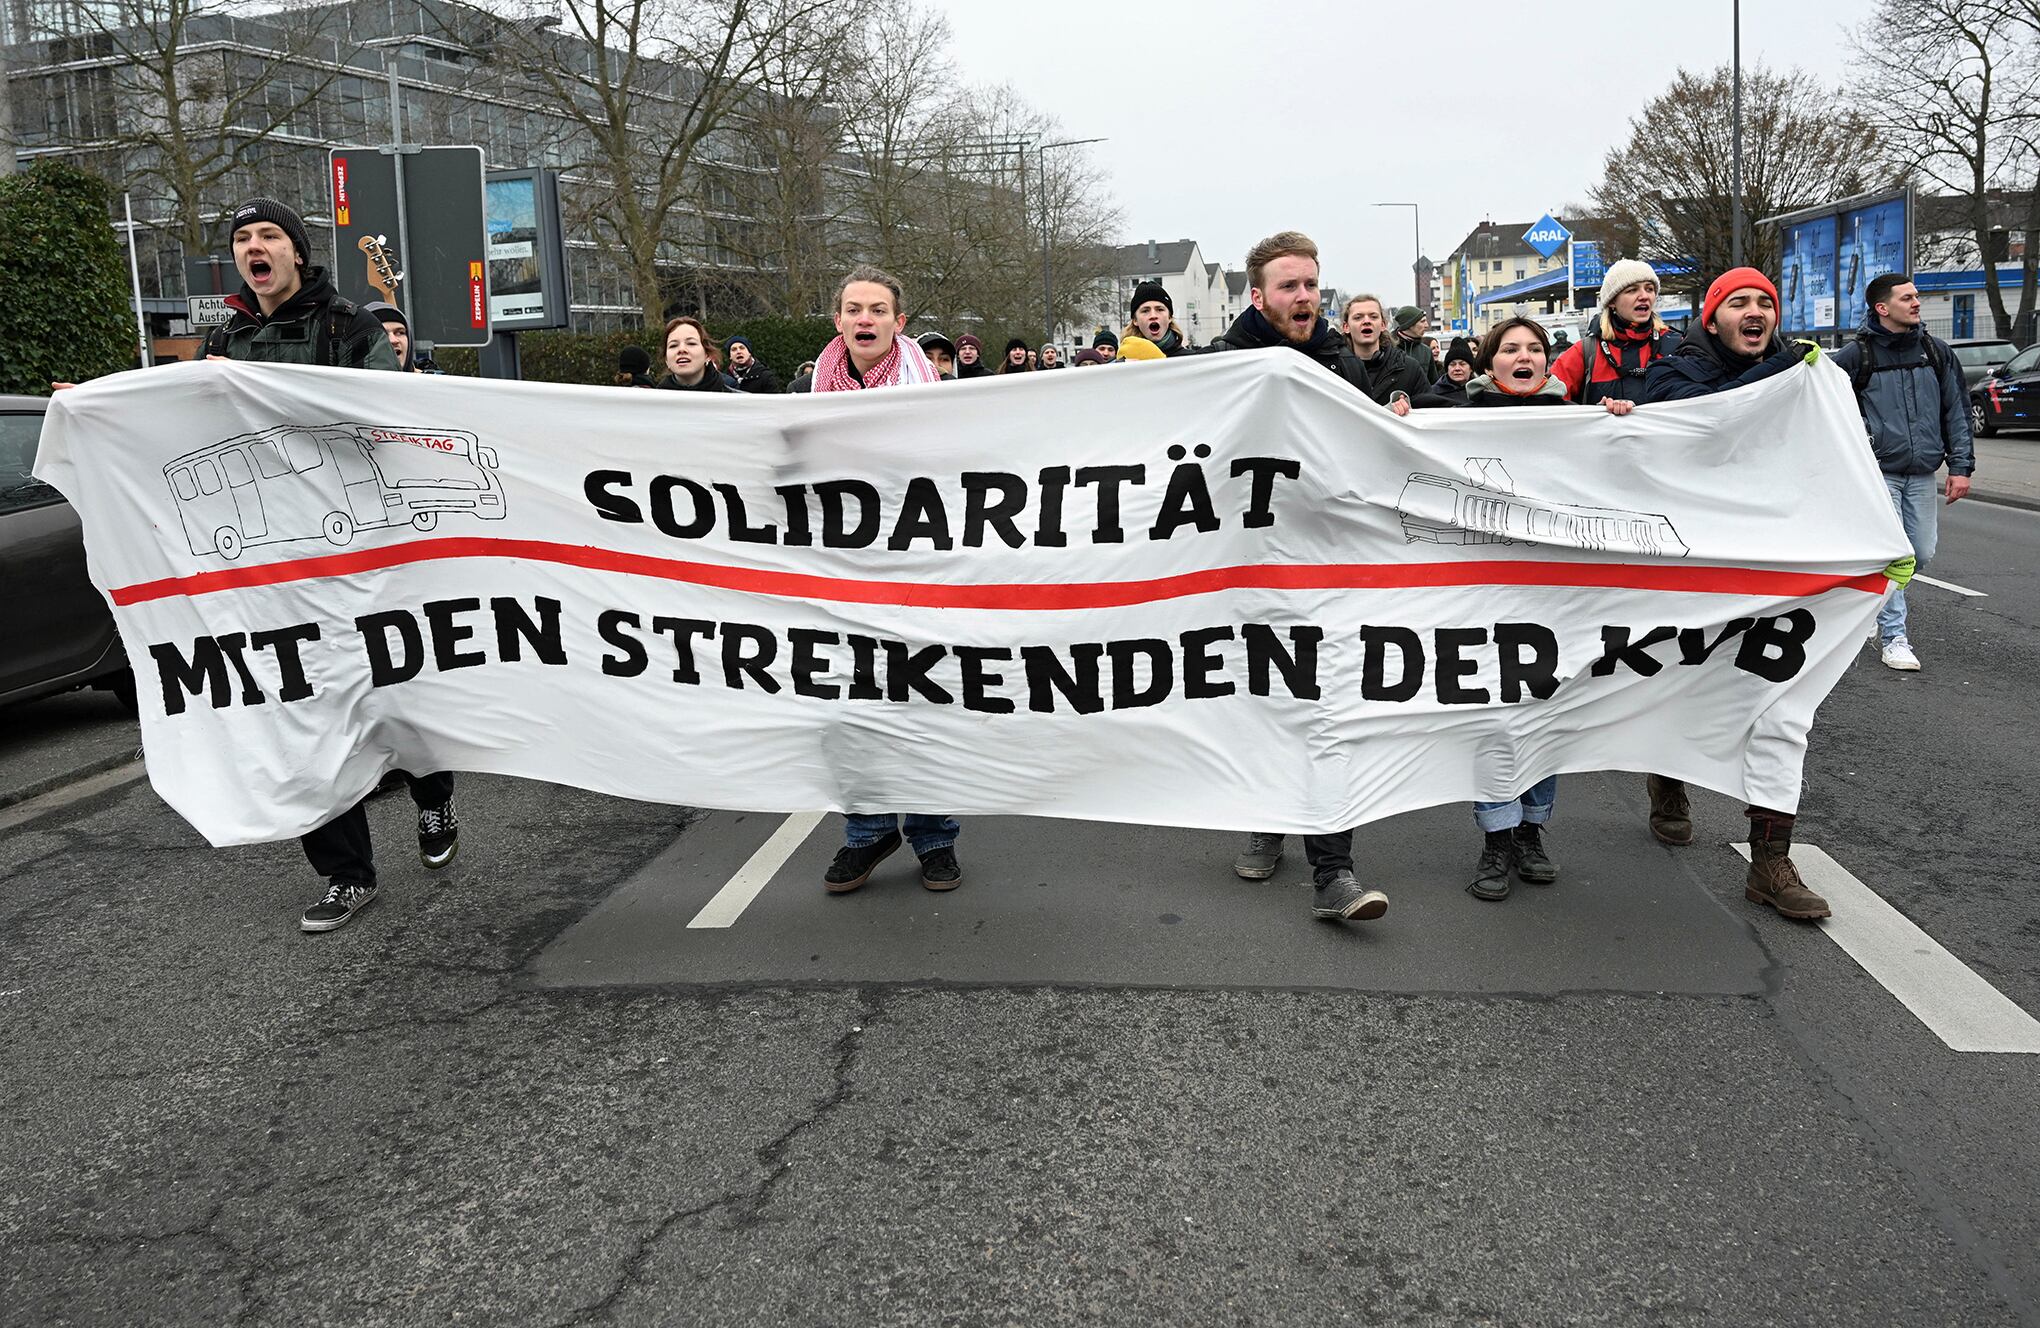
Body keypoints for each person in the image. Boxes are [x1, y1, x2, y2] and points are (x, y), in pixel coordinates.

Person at [201, 198, 452, 935]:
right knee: (302, 709)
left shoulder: (349, 326)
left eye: (268, 234)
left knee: (391, 691)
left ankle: (431, 786)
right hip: (272, 561)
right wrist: (97, 407)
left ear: (297, 252)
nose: (255, 246)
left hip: (354, 549)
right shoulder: (229, 337)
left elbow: (381, 422)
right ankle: (347, 874)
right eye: (242, 237)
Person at [1640, 267, 1855, 923]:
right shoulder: (1673, 373)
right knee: (1679, 685)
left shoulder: (1802, 378)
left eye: (1766, 302)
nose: (1756, 310)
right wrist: (1790, 379)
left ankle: (1770, 863)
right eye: (1739, 302)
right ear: (1712, 318)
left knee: (1781, 712)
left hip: (1777, 570)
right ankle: (1666, 773)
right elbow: (1707, 423)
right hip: (1694, 569)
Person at [1207, 230, 1386, 925]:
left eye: (1312, 284)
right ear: (1259, 296)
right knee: (1260, 702)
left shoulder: (1341, 364)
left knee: (1326, 711)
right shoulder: (1221, 364)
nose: (1305, 296)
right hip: (1245, 571)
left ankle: (1333, 872)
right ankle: (1265, 817)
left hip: (1323, 569)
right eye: (1290, 285)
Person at [1447, 318, 1629, 897]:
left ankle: (1532, 829)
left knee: (1546, 712)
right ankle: (1496, 839)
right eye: (1509, 348)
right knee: (1497, 716)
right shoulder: (1452, 418)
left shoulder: (1578, 419)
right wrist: (1399, 414)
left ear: (1548, 363)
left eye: (1534, 349)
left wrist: (1628, 425)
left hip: (1556, 596)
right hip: (1483, 593)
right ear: (1488, 362)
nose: (1523, 356)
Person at [806, 265, 959, 894]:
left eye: (877, 309)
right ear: (838, 320)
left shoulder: (940, 397)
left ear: (900, 322)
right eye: (853, 308)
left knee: (923, 705)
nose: (864, 319)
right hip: (843, 577)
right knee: (848, 708)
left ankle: (933, 838)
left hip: (919, 575)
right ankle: (866, 835)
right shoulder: (809, 392)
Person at [1830, 274, 1975, 671]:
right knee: (1896, 553)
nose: (1916, 303)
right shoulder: (1855, 356)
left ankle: (1868, 602)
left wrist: (1960, 466)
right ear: (1882, 307)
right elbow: (1826, 406)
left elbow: (1956, 411)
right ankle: (1894, 637)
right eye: (1907, 297)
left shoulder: (1935, 350)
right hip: (1877, 473)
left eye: (1916, 296)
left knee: (1920, 553)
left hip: (1922, 470)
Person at [1550, 259, 1682, 407]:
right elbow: (1549, 402)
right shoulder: (1585, 352)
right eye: (1632, 290)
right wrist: (1593, 413)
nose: (1644, 296)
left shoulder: (1676, 345)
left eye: (1649, 289)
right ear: (1612, 301)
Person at [1340, 294, 1428, 409]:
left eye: (1373, 317)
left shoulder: (1410, 368)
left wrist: (1409, 408)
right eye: (1358, 317)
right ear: (1346, 327)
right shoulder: (1334, 371)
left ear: (1383, 325)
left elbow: (1429, 412)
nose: (1366, 321)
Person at [658, 316, 731, 392]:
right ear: (666, 359)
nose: (681, 349)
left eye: (691, 343)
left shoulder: (735, 400)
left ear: (707, 355)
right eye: (673, 345)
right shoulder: (653, 402)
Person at [1122, 280, 1192, 357]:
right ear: (1135, 320)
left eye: (1160, 309)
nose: (1153, 315)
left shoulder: (1190, 359)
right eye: (1145, 311)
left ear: (1170, 317)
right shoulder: (1124, 362)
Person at [363, 301, 418, 371]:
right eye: (382, 334)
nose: (393, 340)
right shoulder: (348, 380)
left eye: (400, 332)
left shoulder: (430, 380)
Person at [1426, 337, 1476, 405]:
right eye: (1452, 364)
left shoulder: (1481, 390)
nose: (1457, 368)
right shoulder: (1433, 394)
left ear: (1471, 368)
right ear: (1447, 369)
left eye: (1462, 364)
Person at [1392, 305, 1437, 381]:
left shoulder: (1426, 351)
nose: (1427, 325)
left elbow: (1433, 384)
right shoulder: (1387, 348)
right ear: (1409, 324)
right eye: (1422, 321)